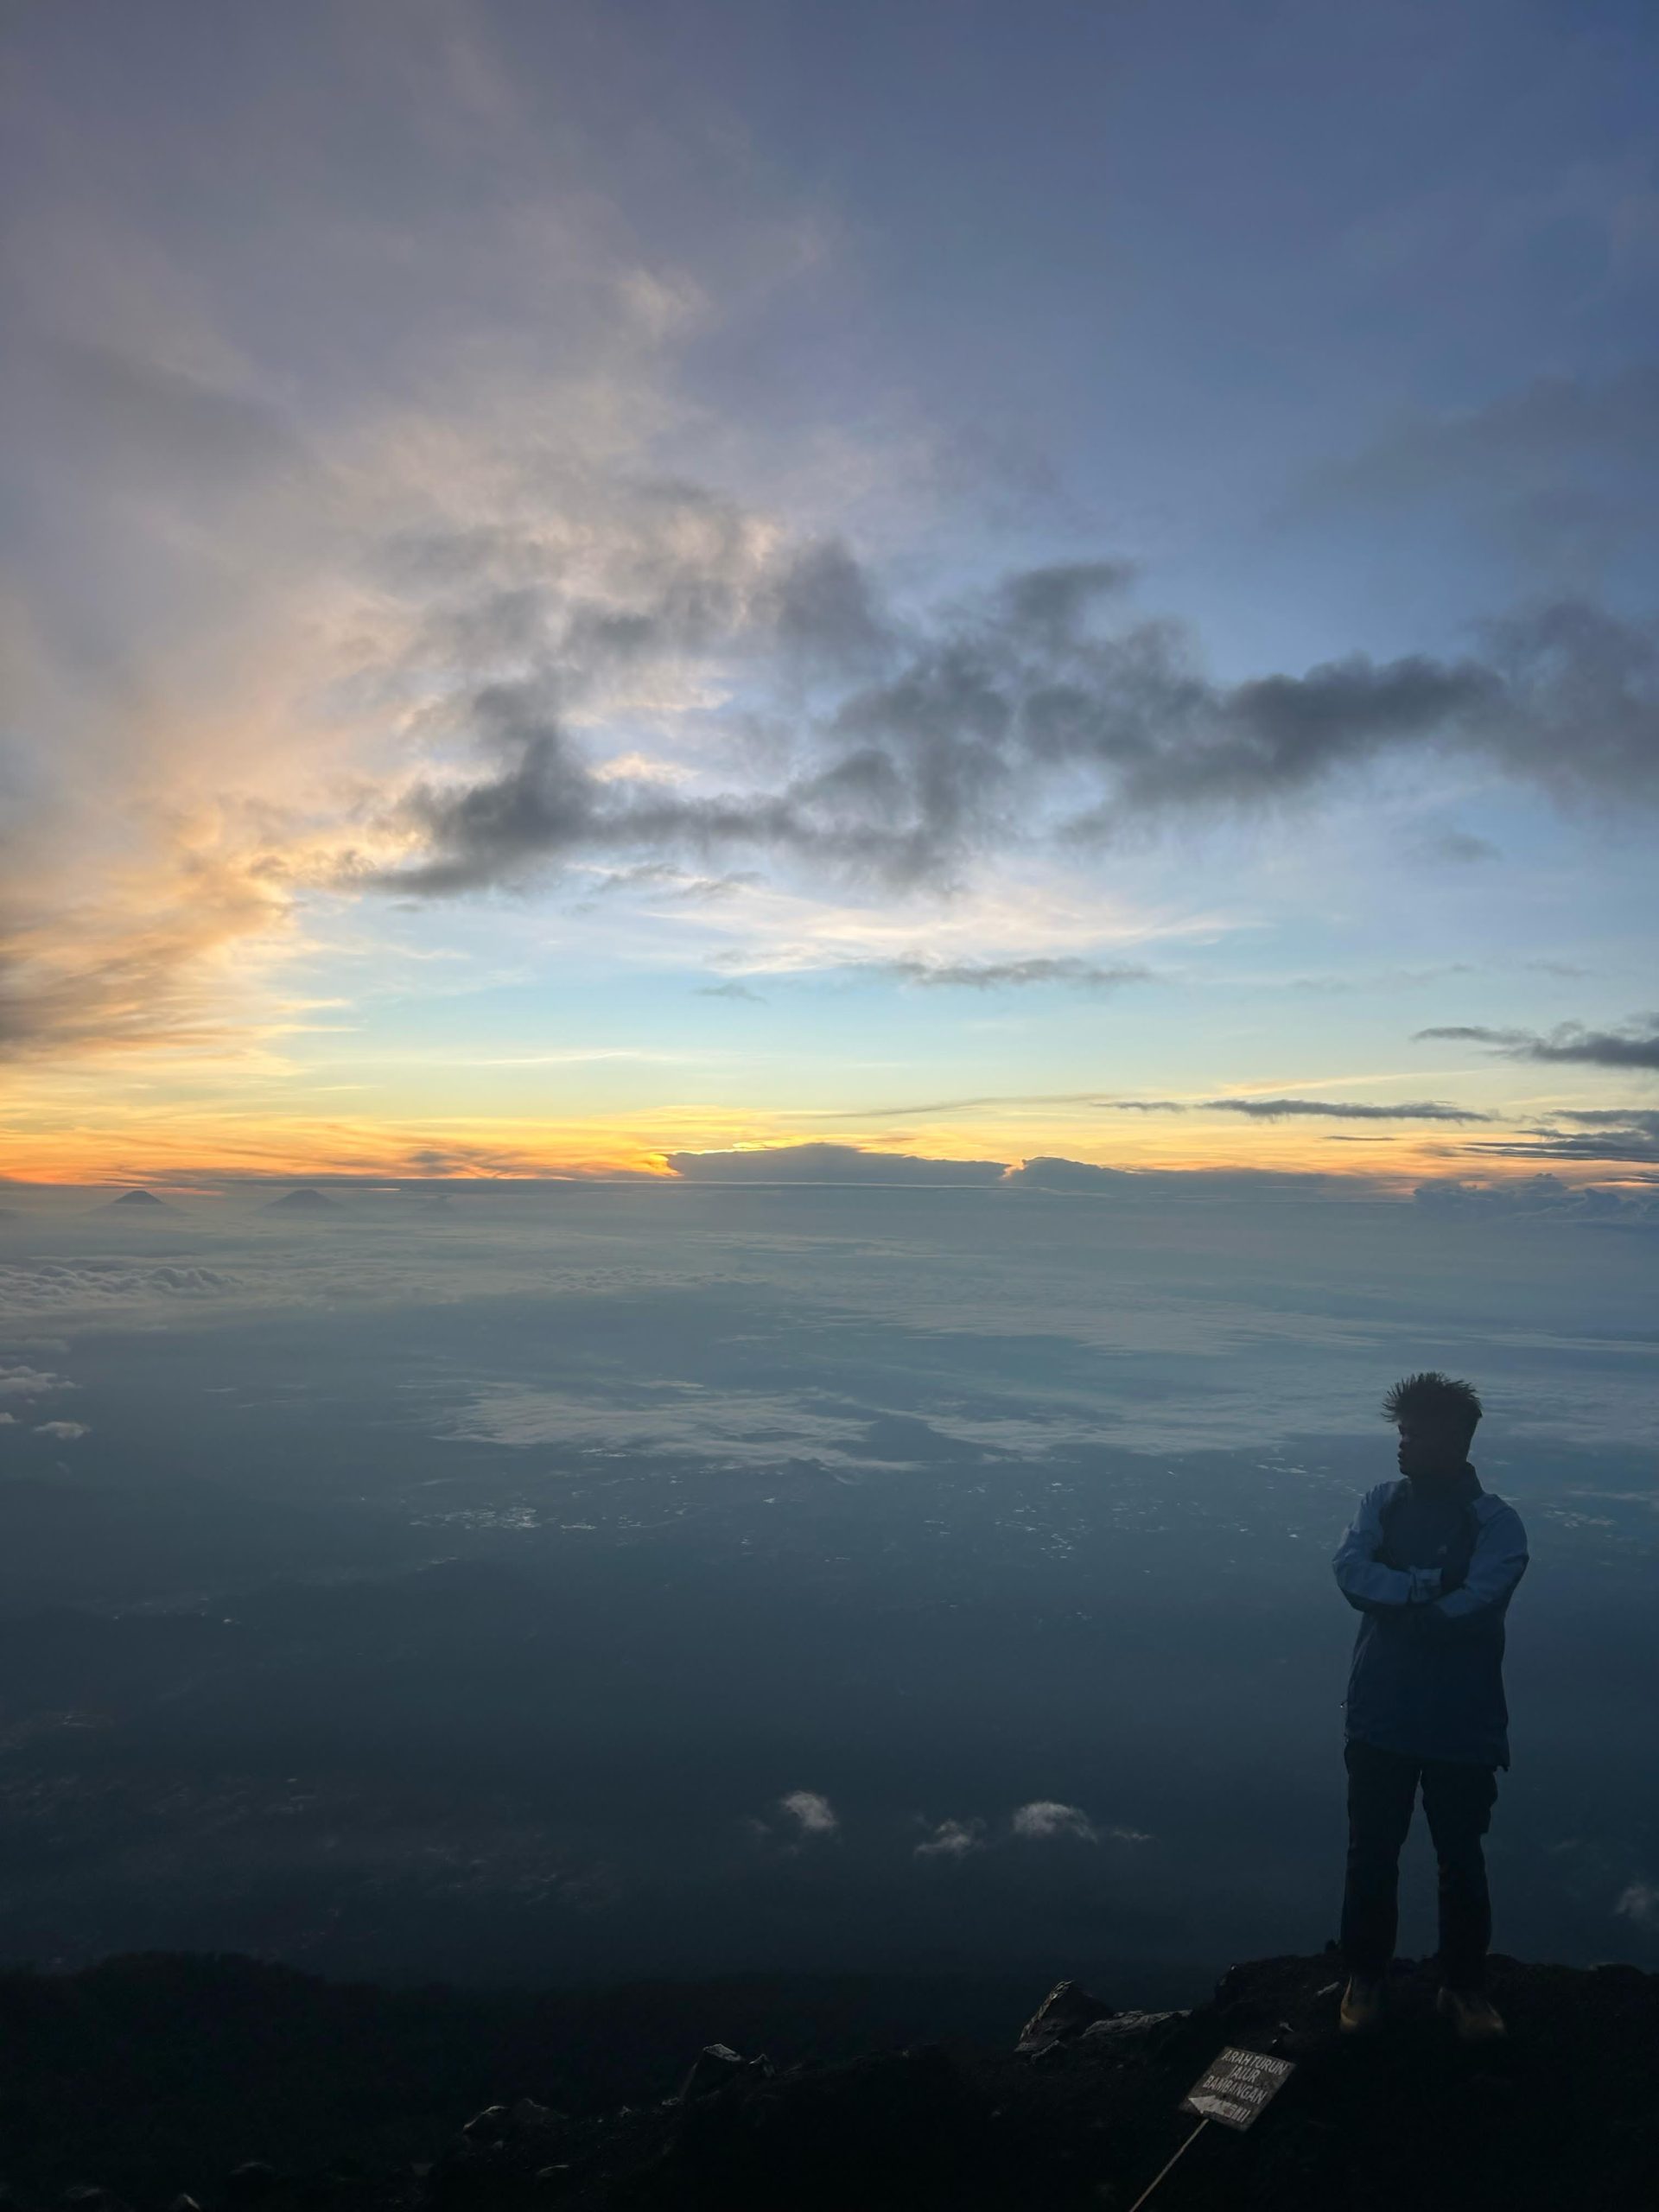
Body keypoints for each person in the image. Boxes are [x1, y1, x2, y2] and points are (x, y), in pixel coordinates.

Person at [1331, 1371, 1529, 2041]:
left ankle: (1464, 1988)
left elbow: (1482, 1598)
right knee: (1372, 1851)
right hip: (1381, 1715)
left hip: (1460, 1726)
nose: (1402, 1445)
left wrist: (1401, 1597)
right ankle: (1365, 1977)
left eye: (1414, 1433)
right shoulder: (1381, 1503)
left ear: (1455, 1438)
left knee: (1460, 1857)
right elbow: (1351, 1571)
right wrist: (1426, 1588)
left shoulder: (1497, 1523)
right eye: (1402, 1432)